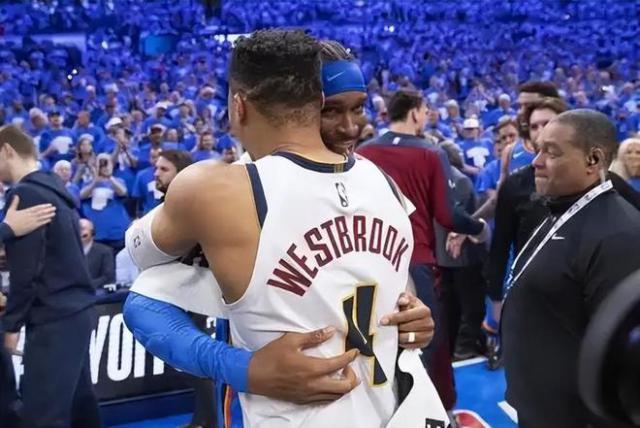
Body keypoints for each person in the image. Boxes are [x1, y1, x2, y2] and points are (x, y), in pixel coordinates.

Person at [125, 30, 439, 427]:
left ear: (238, 106)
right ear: (314, 102)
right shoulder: (383, 183)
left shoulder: (219, 190)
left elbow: (140, 274)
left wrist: (410, 312)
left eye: (358, 109)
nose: (349, 127)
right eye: (334, 110)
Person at [502, 109, 640, 427]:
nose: (536, 162)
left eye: (551, 152)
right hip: (541, 406)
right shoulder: (558, 210)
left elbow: (618, 358)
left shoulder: (620, 235)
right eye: (538, 149)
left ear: (593, 160)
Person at [357, 89, 490, 410]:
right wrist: (478, 228)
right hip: (414, 261)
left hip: (367, 261)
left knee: (376, 342)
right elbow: (447, 215)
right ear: (416, 113)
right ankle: (438, 411)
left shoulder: (363, 152)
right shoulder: (430, 152)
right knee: (429, 343)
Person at [0, 124, 101, 428]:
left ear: (7, 151)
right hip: (76, 310)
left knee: (42, 416)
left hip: (52, 315)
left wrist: (11, 324)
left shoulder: (24, 194)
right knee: (80, 406)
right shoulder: (56, 189)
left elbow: (27, 271)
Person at [80, 218, 115, 289]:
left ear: (92, 232)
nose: (79, 232)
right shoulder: (69, 251)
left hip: (96, 291)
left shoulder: (104, 251)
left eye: (82, 229)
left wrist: (87, 286)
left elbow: (108, 277)